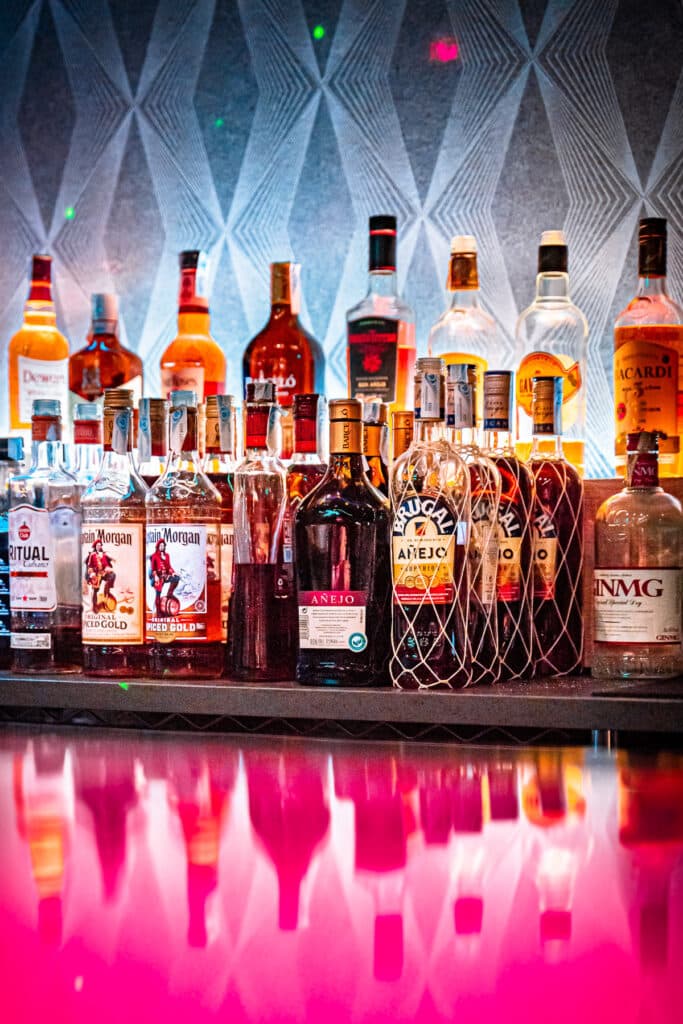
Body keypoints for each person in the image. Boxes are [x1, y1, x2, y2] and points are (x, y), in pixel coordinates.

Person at [150, 539, 180, 616]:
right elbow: (153, 569)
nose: (162, 547)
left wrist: (173, 573)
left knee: (176, 578)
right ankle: (159, 612)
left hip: (165, 576)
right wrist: (156, 576)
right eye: (160, 546)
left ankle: (170, 593)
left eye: (163, 546)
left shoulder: (167, 555)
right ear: (158, 546)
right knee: (158, 594)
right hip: (158, 577)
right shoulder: (154, 556)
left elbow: (169, 567)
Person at [85, 540, 116, 613]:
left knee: (112, 575)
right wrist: (92, 573)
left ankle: (107, 590)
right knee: (95, 590)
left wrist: (108, 568)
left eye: (100, 545)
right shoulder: (92, 555)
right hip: (96, 574)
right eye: (97, 545)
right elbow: (90, 566)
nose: (99, 546)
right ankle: (95, 606)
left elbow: (106, 564)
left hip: (103, 573)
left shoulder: (104, 554)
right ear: (95, 547)